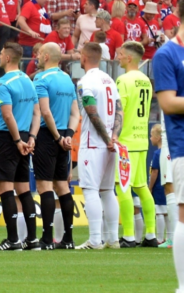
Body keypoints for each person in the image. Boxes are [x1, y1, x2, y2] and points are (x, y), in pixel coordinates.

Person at [0, 43, 40, 251]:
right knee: (24, 189)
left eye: (1, 54)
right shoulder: (28, 81)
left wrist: (17, 141)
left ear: (8, 58)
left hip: (8, 137)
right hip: (25, 136)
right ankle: (32, 239)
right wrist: (31, 138)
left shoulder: (3, 83)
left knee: (5, 188)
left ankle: (12, 240)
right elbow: (37, 113)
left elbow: (7, 114)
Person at [31, 42, 79, 250]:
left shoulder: (40, 78)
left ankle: (47, 238)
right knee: (62, 187)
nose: (38, 56)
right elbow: (75, 112)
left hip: (46, 136)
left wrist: (58, 136)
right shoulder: (68, 79)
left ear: (47, 56)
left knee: (45, 187)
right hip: (64, 138)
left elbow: (44, 111)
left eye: (40, 53)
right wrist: (68, 135)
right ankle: (68, 238)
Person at [75, 42, 121, 250]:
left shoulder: (85, 82)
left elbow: (92, 112)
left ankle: (95, 239)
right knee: (108, 190)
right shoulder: (109, 79)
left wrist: (105, 138)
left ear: (84, 57)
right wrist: (114, 136)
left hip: (93, 143)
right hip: (111, 144)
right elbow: (119, 109)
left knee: (91, 190)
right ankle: (113, 238)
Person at [115, 41, 158, 248]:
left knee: (122, 187)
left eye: (121, 53)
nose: (118, 56)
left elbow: (119, 110)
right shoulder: (146, 80)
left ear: (129, 57)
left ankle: (129, 236)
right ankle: (150, 235)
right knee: (141, 187)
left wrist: (113, 134)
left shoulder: (123, 80)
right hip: (142, 139)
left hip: (126, 141)